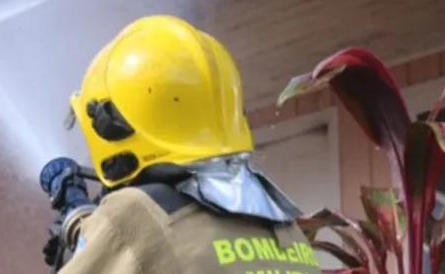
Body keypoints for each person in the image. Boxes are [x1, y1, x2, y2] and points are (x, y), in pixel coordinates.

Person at [40, 15, 324, 274]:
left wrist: (83, 223)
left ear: (113, 127)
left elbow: (138, 238)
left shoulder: (133, 212)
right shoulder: (284, 226)